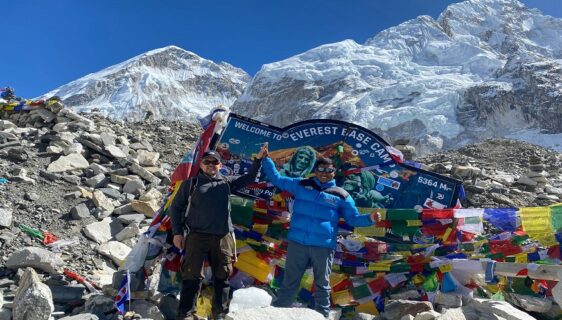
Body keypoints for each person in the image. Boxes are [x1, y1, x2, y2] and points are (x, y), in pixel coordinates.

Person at [260, 144, 381, 318]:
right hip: (297, 243)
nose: (325, 173)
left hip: (322, 247)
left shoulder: (342, 195)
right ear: (315, 170)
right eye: (321, 169)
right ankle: (279, 313)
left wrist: (370, 219)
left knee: (322, 284)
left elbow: (352, 219)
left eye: (329, 170)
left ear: (334, 172)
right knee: (289, 281)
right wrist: (266, 159)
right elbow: (277, 179)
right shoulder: (301, 184)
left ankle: (322, 315)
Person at [169, 148, 266, 320]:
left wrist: (258, 160)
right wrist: (177, 233)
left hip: (223, 236)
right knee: (191, 275)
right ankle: (186, 314)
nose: (211, 165)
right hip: (196, 235)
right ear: (201, 164)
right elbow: (175, 208)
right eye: (207, 162)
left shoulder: (227, 183)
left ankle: (219, 314)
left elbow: (250, 177)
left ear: (220, 165)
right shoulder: (191, 184)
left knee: (223, 275)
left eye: (215, 162)